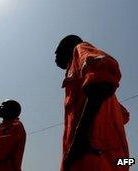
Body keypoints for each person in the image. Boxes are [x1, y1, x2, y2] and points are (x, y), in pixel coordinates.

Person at [55, 35, 130, 171]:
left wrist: (79, 139)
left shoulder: (80, 49)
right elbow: (123, 116)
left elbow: (103, 73)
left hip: (92, 158)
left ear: (67, 46)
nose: (55, 56)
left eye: (57, 50)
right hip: (115, 160)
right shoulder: (108, 98)